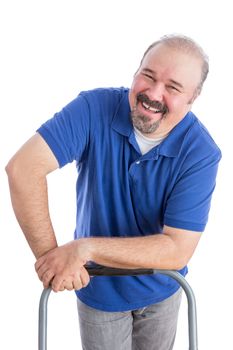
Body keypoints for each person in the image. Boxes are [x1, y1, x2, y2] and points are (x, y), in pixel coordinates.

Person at [6, 34, 221, 350]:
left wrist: (84, 249)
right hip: (100, 291)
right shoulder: (93, 109)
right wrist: (53, 259)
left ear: (193, 98)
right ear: (136, 72)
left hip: (163, 289)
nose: (153, 93)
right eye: (148, 75)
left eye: (173, 87)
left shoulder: (201, 151)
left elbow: (177, 249)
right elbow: (23, 169)